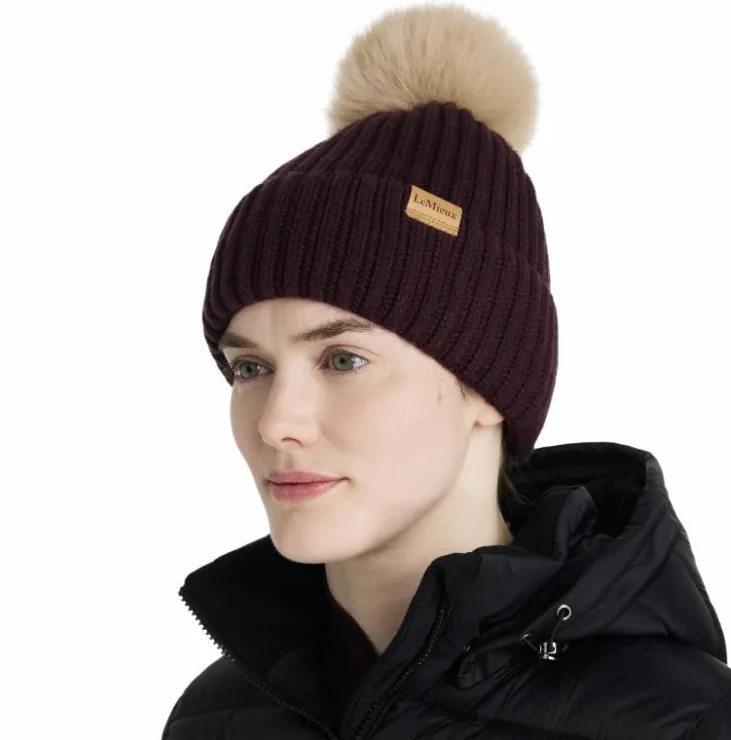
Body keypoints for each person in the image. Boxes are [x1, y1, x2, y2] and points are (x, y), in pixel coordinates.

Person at [161, 4, 731, 738]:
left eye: (343, 358)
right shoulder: (216, 718)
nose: (275, 422)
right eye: (249, 368)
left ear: (485, 384)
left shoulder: (690, 722)